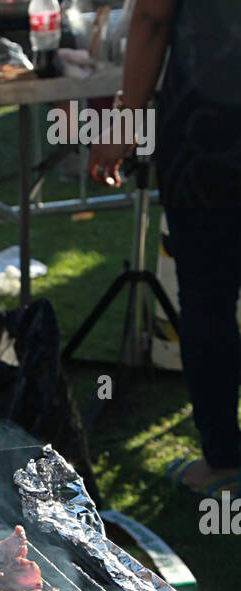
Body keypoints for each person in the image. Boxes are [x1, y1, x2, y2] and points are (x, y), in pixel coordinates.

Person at [89, 0, 241, 498]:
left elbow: (153, 16)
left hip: (209, 132)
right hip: (210, 129)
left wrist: (124, 120)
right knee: (207, 297)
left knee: (207, 296)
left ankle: (222, 462)